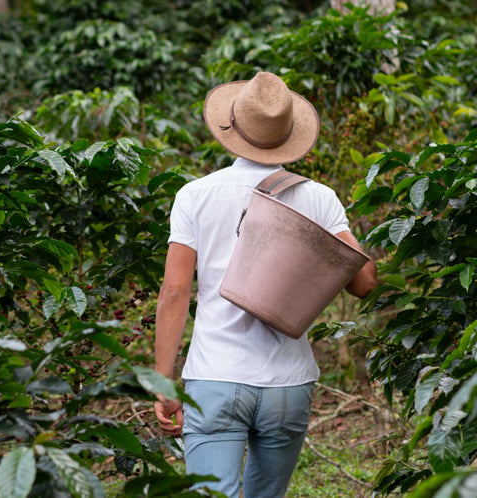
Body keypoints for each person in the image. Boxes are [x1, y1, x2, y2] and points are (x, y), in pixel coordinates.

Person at [152, 71, 377, 497]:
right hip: (287, 386)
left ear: (231, 126)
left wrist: (163, 381)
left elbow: (176, 292)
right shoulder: (318, 197)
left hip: (215, 377)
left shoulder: (195, 195)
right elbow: (365, 283)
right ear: (288, 134)